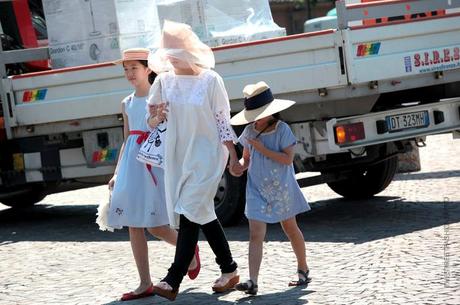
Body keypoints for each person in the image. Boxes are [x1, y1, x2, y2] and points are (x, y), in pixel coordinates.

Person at [146, 21, 240, 301]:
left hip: (208, 155)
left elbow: (223, 121)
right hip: (178, 157)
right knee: (201, 212)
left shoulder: (211, 80)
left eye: (176, 50)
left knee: (189, 211)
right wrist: (156, 117)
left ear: (189, 50)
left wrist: (232, 157)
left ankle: (172, 278)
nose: (171, 56)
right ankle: (230, 269)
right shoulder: (163, 81)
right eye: (168, 51)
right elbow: (150, 122)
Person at [105, 48, 200, 301]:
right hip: (131, 166)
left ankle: (188, 250)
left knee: (157, 226)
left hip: (153, 164)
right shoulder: (126, 102)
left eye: (133, 68)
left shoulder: (159, 98)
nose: (129, 73)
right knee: (133, 225)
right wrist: (116, 173)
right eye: (125, 69)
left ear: (148, 69)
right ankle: (144, 282)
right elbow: (127, 140)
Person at [230, 81, 311, 295]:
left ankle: (303, 268)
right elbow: (246, 160)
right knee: (255, 233)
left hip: (282, 187)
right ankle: (252, 281)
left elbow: (287, 160)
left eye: (260, 112)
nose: (257, 117)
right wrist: (237, 167)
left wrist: (263, 149)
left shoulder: (282, 129)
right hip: (256, 188)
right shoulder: (248, 131)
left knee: (290, 228)